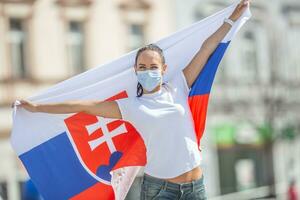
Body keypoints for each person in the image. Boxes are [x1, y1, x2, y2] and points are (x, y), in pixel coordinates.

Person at [15, 1, 250, 199]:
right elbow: (82, 106)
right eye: (142, 67)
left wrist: (231, 19)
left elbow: (206, 49)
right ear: (136, 71)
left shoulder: (179, 85)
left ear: (164, 68)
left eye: (153, 66)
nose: (148, 71)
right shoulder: (132, 106)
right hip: (160, 189)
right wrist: (37, 108)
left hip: (195, 186)